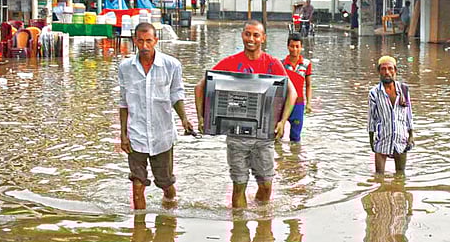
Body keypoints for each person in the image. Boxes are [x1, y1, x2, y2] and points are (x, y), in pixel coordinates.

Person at [195, 20, 297, 208]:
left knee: (266, 185)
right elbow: (201, 86)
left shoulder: (272, 63)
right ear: (242, 35)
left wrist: (283, 121)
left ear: (263, 38)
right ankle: (239, 229)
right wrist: (202, 117)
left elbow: (292, 92)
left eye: (256, 35)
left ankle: (262, 222)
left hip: (264, 136)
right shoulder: (231, 62)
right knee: (239, 185)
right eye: (247, 34)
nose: (251, 39)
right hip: (236, 135)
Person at [118, 22, 194, 210]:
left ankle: (169, 219)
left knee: (166, 184)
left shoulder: (171, 65)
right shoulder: (125, 67)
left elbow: (176, 94)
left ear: (156, 41)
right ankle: (139, 233)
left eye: (149, 41)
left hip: (162, 135)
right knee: (137, 185)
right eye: (141, 41)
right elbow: (123, 102)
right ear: (134, 40)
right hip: (136, 136)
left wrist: (184, 119)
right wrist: (123, 134)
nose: (144, 46)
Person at [368, 56, 414, 175]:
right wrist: (371, 140)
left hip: (401, 139)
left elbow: (409, 114)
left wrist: (411, 135)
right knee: (379, 177)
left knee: (400, 175)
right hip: (382, 138)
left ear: (395, 70)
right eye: (383, 69)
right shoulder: (374, 93)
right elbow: (371, 118)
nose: (387, 72)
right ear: (379, 71)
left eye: (390, 68)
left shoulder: (404, 89)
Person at [283, 33, 312, 143]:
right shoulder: (281, 64)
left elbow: (308, 85)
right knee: (277, 133)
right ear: (288, 46)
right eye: (292, 46)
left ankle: (294, 159)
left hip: (298, 104)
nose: (294, 49)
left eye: (297, 46)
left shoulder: (306, 64)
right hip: (283, 103)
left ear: (301, 47)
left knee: (295, 137)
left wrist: (309, 103)